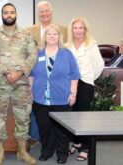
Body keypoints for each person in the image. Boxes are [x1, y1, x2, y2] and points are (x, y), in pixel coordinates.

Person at [0, 3, 37, 165]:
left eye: (11, 12)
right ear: (2, 15)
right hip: (0, 84)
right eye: (6, 12)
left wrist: (19, 73)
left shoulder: (27, 35)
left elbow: (32, 56)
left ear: (16, 14)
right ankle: (0, 150)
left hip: (21, 84)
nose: (9, 15)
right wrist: (7, 73)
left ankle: (22, 151)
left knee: (23, 117)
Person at [30, 24, 80, 164]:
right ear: (44, 37)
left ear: (59, 37)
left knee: (61, 130)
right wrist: (30, 91)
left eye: (55, 34)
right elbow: (31, 75)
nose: (52, 36)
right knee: (44, 128)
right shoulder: (37, 54)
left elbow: (74, 75)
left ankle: (62, 154)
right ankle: (46, 151)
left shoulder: (67, 54)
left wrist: (73, 93)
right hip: (41, 98)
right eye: (49, 34)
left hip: (62, 98)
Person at [65, 17, 104, 161]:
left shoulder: (91, 44)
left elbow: (99, 64)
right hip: (70, 84)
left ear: (85, 29)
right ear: (71, 30)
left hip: (86, 83)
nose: (78, 31)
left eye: (80, 28)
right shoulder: (67, 45)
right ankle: (76, 142)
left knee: (84, 115)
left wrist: (90, 78)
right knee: (73, 114)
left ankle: (85, 147)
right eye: (75, 28)